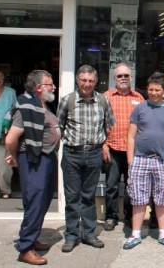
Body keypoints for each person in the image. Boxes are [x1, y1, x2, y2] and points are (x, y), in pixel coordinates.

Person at [57, 65, 115, 253]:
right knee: (72, 197)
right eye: (83, 80)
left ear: (96, 82)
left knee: (89, 197)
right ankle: (72, 236)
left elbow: (109, 126)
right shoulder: (68, 100)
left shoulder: (103, 101)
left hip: (94, 154)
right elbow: (58, 127)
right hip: (72, 154)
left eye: (90, 81)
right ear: (77, 80)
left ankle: (89, 234)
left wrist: (104, 144)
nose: (87, 84)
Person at [5, 70, 58, 265]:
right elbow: (11, 138)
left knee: (42, 202)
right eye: (49, 84)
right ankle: (25, 248)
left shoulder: (44, 105)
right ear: (38, 88)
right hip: (34, 159)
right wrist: (15, 156)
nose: (53, 87)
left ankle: (32, 237)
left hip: (47, 158)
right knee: (35, 202)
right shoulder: (26, 107)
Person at [122, 75, 164, 250]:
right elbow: (131, 136)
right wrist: (131, 160)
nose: (154, 93)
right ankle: (136, 234)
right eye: (151, 90)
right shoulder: (140, 108)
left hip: (163, 161)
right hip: (140, 159)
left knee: (162, 199)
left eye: (157, 90)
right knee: (138, 199)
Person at [102, 63, 144, 231]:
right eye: (120, 76)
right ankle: (111, 217)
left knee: (130, 185)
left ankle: (128, 216)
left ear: (131, 77)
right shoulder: (106, 97)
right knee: (111, 185)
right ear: (114, 79)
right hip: (112, 148)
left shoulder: (139, 98)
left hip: (133, 150)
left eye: (126, 75)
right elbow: (99, 122)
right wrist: (103, 144)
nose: (123, 78)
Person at [0, 67, 16, 199]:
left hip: (3, 134)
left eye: (1, 77)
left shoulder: (10, 93)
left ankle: (5, 190)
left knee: (4, 166)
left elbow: (16, 112)